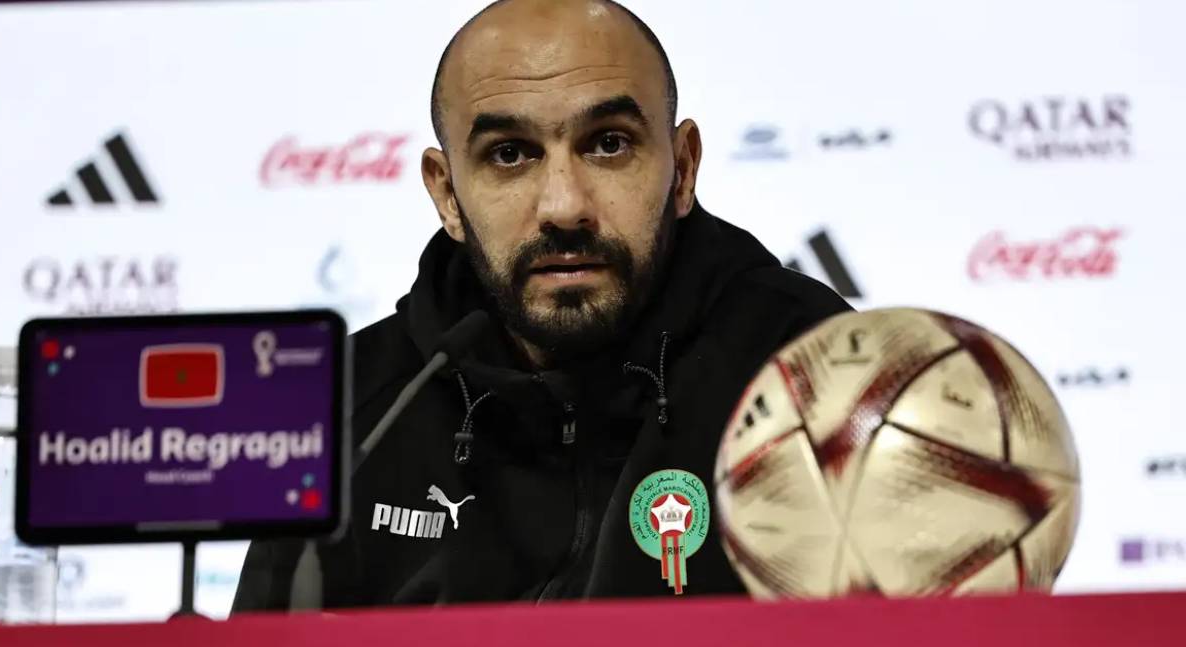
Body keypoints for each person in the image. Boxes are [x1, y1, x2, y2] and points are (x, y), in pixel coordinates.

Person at [234, 0, 849, 609]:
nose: (563, 207)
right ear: (447, 193)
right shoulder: (357, 408)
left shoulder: (813, 370)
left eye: (608, 144)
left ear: (683, 167)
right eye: (510, 154)